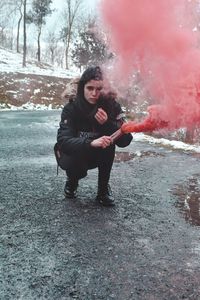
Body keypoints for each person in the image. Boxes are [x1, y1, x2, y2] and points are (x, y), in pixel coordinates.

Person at [55, 66, 132, 206]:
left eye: (99, 89)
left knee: (109, 143)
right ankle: (72, 181)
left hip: (100, 154)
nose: (94, 93)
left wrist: (107, 124)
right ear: (82, 88)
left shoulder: (112, 106)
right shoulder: (71, 108)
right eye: (90, 88)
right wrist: (90, 143)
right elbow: (63, 140)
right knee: (72, 154)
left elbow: (126, 140)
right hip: (78, 153)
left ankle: (103, 190)